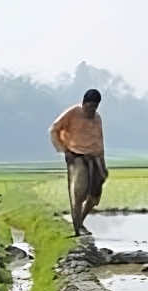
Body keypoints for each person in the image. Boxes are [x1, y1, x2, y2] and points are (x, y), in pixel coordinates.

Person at [49, 88, 107, 237]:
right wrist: (63, 150)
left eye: (95, 107)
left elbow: (99, 142)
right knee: (80, 191)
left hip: (94, 156)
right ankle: (76, 225)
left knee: (95, 196)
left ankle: (79, 221)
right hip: (77, 155)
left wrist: (102, 164)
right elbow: (54, 129)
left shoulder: (97, 118)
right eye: (89, 107)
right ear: (84, 103)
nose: (91, 110)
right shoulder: (73, 112)